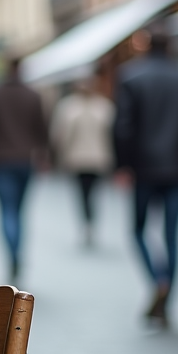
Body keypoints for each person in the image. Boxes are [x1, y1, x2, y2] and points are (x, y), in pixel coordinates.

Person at [113, 29, 178, 328]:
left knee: (138, 230)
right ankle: (167, 298)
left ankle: (158, 279)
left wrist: (122, 165)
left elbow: (123, 126)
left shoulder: (130, 77)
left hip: (143, 169)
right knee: (172, 235)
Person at [0, 57, 48, 281]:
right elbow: (42, 130)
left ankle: (12, 255)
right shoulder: (33, 96)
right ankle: (17, 253)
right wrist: (44, 156)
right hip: (26, 160)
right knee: (20, 212)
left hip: (1, 160)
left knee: (7, 211)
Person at [50, 77, 115, 246]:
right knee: (83, 192)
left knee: (91, 192)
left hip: (97, 158)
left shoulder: (103, 106)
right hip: (78, 158)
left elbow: (112, 133)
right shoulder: (69, 106)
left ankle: (89, 222)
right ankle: (88, 222)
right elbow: (60, 134)